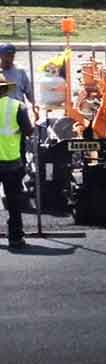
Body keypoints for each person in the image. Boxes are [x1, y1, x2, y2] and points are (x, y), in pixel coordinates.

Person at [0, 75, 33, 249]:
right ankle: (15, 238)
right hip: (11, 162)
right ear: (6, 89)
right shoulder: (17, 107)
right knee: (13, 202)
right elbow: (28, 131)